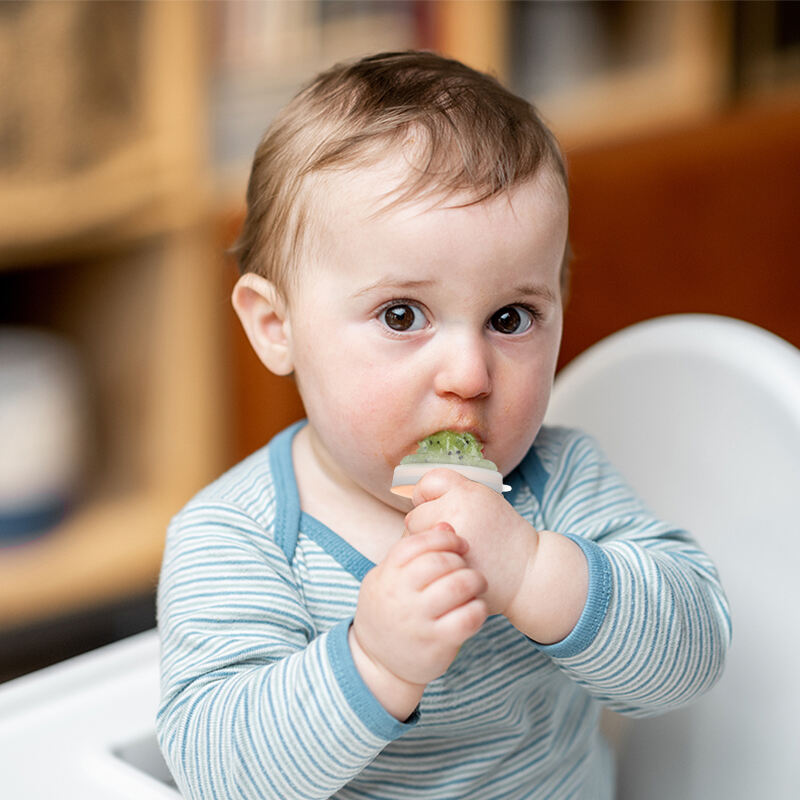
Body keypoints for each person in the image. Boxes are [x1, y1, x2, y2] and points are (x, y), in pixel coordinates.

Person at [157, 51, 731, 799]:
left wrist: (533, 572)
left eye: (510, 317)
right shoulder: (237, 538)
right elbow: (215, 770)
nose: (469, 374)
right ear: (276, 325)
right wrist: (375, 664)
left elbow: (694, 656)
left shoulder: (558, 487)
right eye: (402, 316)